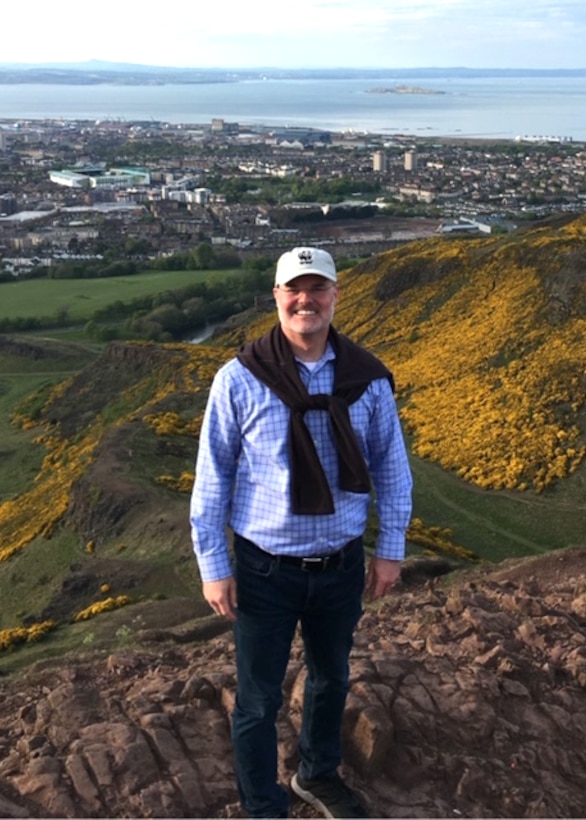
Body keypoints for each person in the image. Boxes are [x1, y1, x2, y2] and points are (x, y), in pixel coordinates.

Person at [190, 246, 413, 819]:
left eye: (317, 288)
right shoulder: (238, 380)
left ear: (336, 296)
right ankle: (264, 804)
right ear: (277, 298)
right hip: (266, 568)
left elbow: (392, 468)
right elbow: (213, 476)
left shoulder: (367, 379)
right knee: (259, 699)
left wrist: (389, 550)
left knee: (331, 679)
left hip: (340, 564)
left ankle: (316, 774)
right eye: (294, 289)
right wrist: (214, 565)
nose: (305, 300)